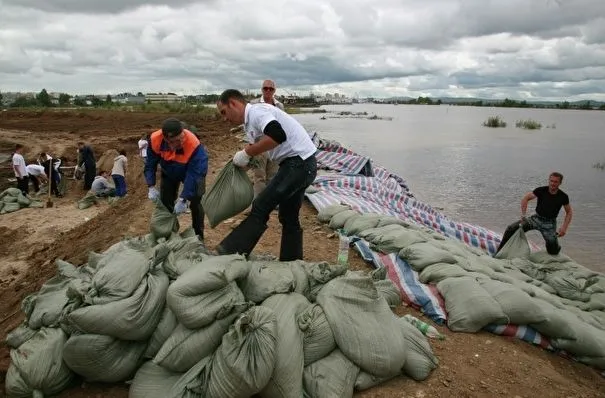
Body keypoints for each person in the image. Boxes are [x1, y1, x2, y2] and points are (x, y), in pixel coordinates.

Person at [215, 89, 317, 261]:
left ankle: (231, 253)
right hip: (303, 165)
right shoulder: (250, 123)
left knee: (261, 205)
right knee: (289, 216)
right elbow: (263, 146)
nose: (225, 118)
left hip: (298, 164)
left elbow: (278, 135)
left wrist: (247, 152)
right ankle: (292, 261)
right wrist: (245, 161)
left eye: (224, 112)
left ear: (233, 103)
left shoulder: (257, 112)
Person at [144, 118, 208, 240]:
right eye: (177, 140)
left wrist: (184, 198)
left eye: (182, 137)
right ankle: (167, 233)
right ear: (167, 140)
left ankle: (198, 235)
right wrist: (151, 186)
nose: (181, 141)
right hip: (169, 171)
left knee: (196, 202)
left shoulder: (193, 144)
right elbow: (150, 164)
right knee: (166, 201)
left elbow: (195, 174)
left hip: (190, 171)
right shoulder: (155, 140)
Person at [495, 172, 573, 256]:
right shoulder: (541, 190)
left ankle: (555, 245)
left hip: (549, 224)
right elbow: (526, 198)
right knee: (511, 228)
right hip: (536, 219)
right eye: (551, 181)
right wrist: (523, 215)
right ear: (549, 181)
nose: (553, 183)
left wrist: (564, 227)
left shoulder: (563, 196)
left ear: (560, 183)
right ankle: (499, 251)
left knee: (552, 250)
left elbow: (569, 212)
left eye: (555, 182)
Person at [250, 80, 285, 198]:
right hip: (259, 145)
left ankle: (270, 201)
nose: (268, 91)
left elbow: (283, 125)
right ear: (262, 90)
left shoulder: (279, 106)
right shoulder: (254, 104)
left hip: (275, 146)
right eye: (265, 88)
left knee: (273, 175)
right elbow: (250, 126)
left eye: (271, 89)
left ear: (274, 90)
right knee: (259, 175)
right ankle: (258, 201)